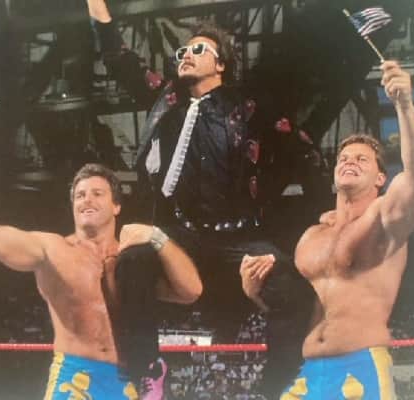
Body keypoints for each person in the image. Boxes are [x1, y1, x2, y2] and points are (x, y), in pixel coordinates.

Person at [87, 1, 319, 398]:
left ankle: (276, 387)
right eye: (182, 51)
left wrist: (327, 212)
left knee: (289, 285)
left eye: (197, 49)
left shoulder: (249, 105)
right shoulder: (167, 99)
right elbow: (121, 59)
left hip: (239, 237)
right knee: (132, 262)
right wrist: (98, 10)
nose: (185, 56)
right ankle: (148, 371)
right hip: (182, 235)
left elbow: (303, 149)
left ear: (221, 64)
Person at [0, 140, 202, 400]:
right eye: (80, 195)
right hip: (76, 377)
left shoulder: (132, 261)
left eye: (97, 193)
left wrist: (157, 237)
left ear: (116, 206)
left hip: (131, 380)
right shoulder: (54, 250)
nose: (87, 199)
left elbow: (191, 291)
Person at [280, 61, 414, 399]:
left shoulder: (385, 220)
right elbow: (296, 307)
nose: (350, 161)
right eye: (344, 158)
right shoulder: (313, 235)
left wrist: (404, 106)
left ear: (381, 178)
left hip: (359, 367)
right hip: (308, 373)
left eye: (362, 159)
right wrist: (254, 292)